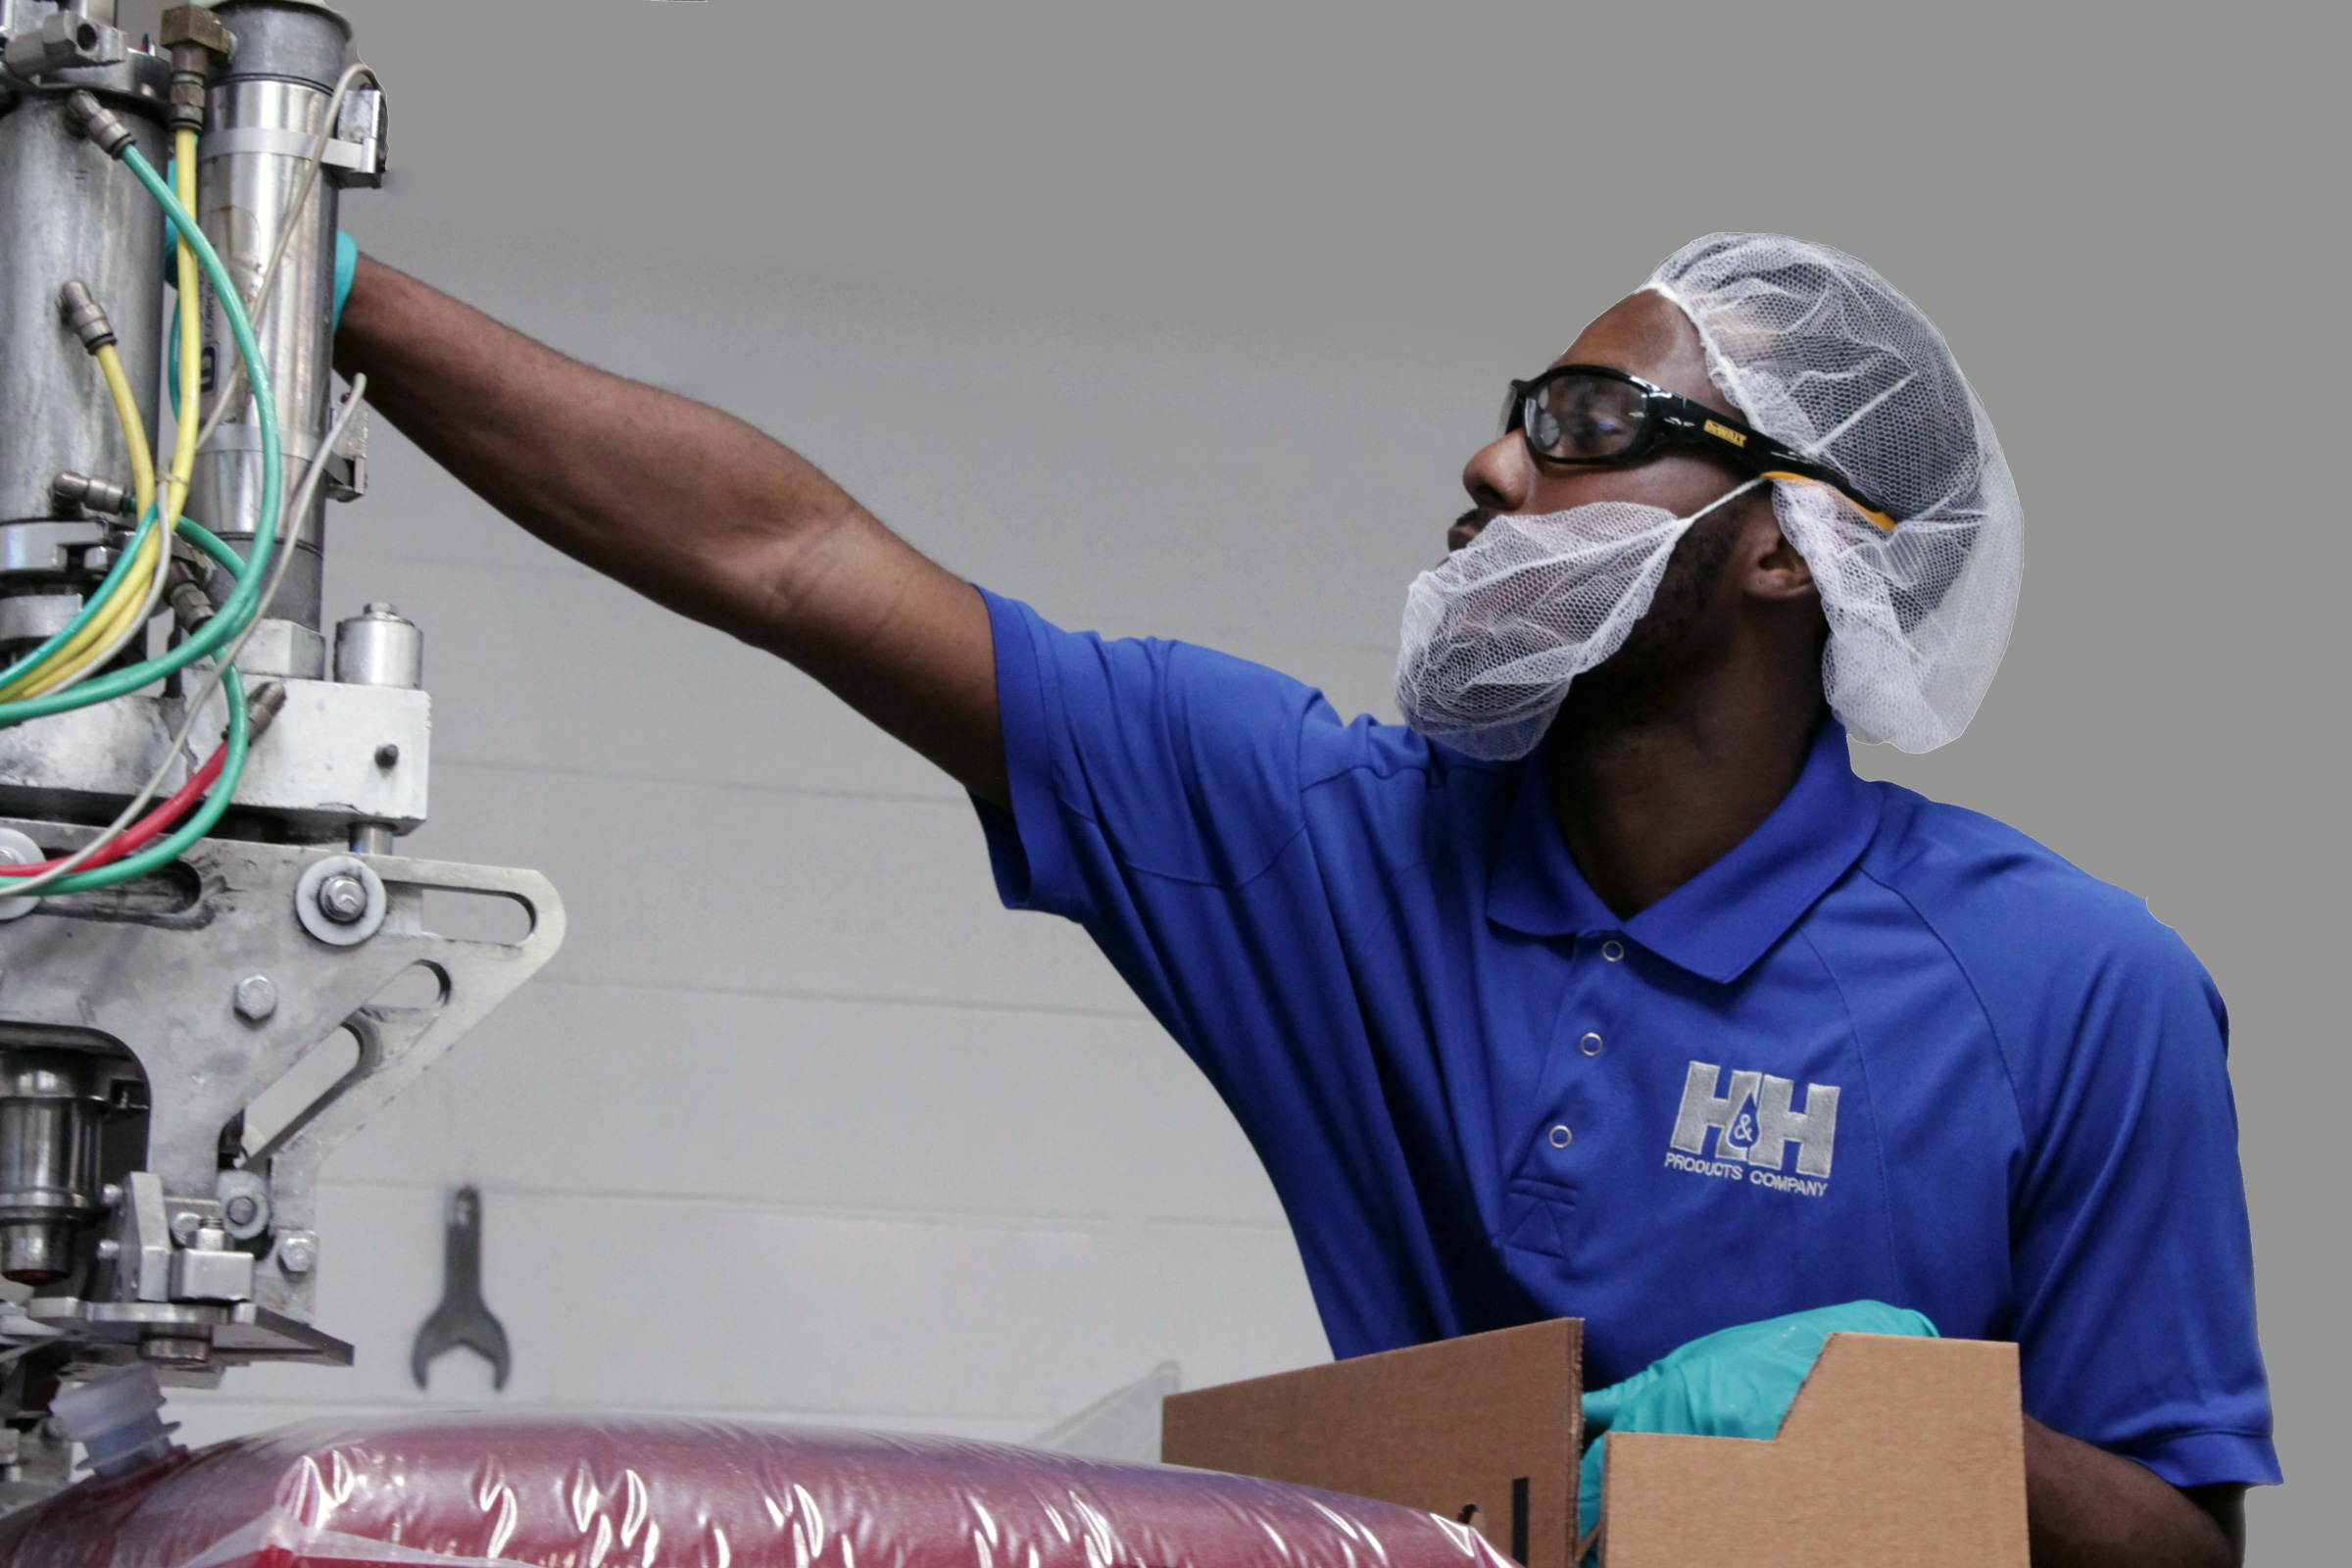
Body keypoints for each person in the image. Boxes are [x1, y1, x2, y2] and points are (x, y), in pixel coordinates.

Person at [335, 232, 2273, 1565]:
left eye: (1594, 422)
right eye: (1528, 406)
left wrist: (1879, 1428)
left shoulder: (2071, 987)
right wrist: (325, 292)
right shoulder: (1333, 839)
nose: (1497, 456)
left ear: (1787, 547)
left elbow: (2183, 1538)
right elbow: (793, 558)